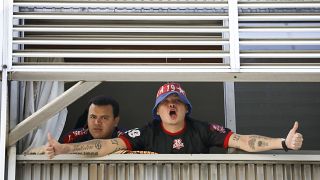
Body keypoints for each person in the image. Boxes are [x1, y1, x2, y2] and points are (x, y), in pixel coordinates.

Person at [44, 83, 303, 158]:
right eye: (166, 102)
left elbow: (243, 141)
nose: (171, 104)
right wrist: (64, 148)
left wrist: (283, 142)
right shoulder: (147, 131)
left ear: (185, 108)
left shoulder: (202, 129)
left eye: (176, 101)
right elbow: (107, 146)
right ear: (157, 111)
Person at [25, 95, 122, 154]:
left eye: (104, 118)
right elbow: (55, 149)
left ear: (115, 121)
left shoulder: (124, 137)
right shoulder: (73, 137)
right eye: (93, 117)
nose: (97, 122)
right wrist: (47, 150)